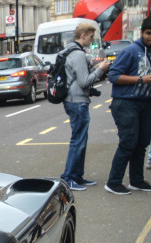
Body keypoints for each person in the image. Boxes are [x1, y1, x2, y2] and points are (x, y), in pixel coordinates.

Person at [59, 23, 111, 191]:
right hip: (77, 101)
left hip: (72, 99)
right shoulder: (78, 54)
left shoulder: (68, 51)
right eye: (90, 37)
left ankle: (78, 176)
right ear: (83, 35)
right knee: (78, 140)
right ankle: (68, 177)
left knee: (81, 139)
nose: (91, 40)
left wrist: (94, 68)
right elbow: (84, 81)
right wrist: (100, 70)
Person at [104, 17, 151, 195]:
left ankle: (136, 181)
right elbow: (113, 76)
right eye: (148, 34)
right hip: (126, 103)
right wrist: (140, 79)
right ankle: (113, 182)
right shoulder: (131, 51)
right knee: (128, 142)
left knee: (142, 142)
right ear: (142, 33)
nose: (150, 38)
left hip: (146, 103)